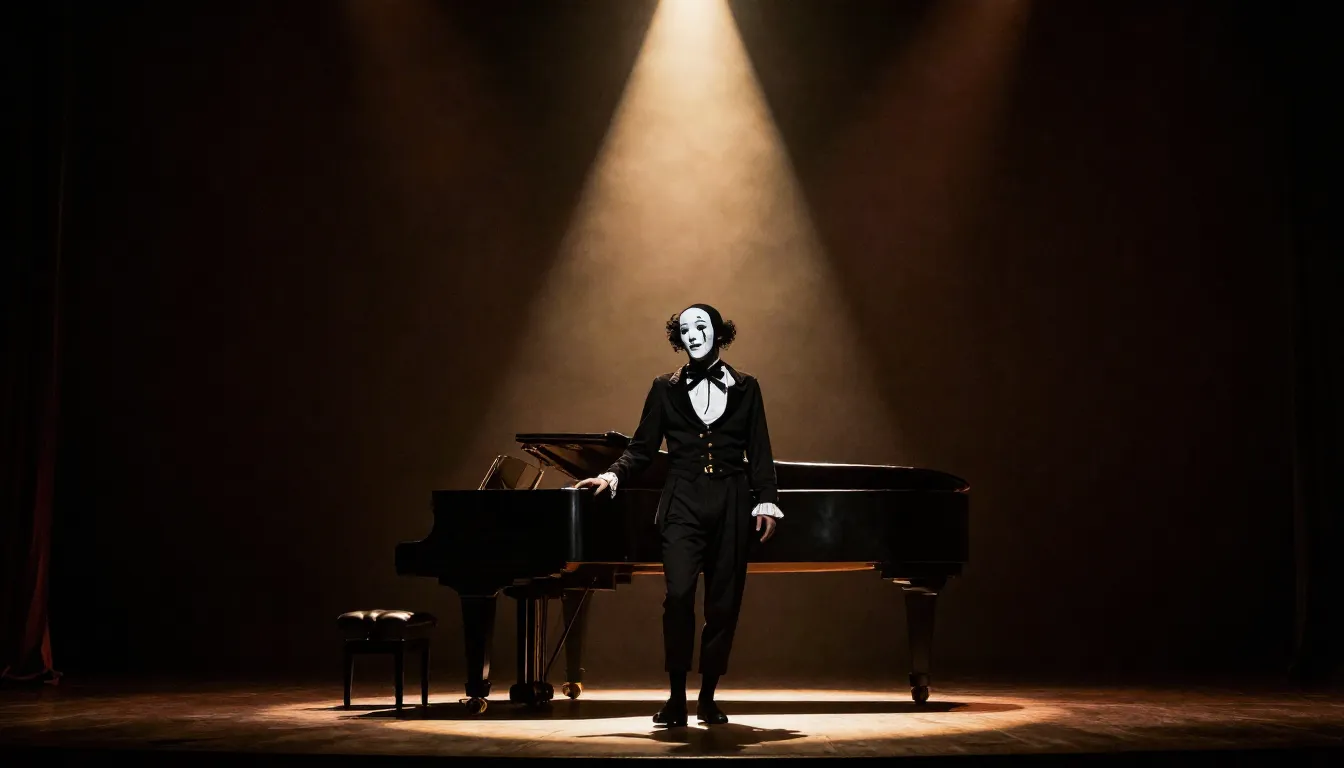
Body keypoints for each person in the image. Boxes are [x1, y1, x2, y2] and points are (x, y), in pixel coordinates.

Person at [574, 304, 783, 727]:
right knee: (679, 598)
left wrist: (766, 498)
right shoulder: (663, 388)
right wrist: (612, 476)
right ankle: (675, 699)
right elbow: (642, 447)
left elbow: (760, 449)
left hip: (732, 501)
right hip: (682, 503)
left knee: (723, 604)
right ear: (679, 338)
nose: (692, 334)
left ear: (718, 333)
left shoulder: (747, 387)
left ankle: (707, 698)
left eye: (700, 326)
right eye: (685, 330)